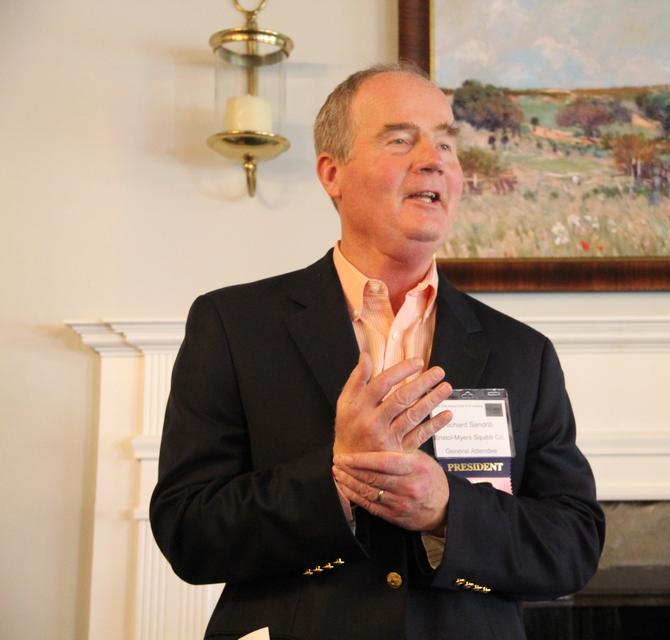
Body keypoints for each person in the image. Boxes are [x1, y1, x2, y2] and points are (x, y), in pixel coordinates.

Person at [150, 62, 605, 640]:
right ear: (332, 173)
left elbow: (572, 546)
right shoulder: (233, 325)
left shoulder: (523, 352)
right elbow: (187, 532)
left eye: (446, 143)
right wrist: (338, 478)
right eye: (400, 140)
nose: (434, 159)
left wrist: (447, 510)